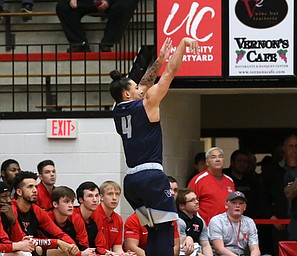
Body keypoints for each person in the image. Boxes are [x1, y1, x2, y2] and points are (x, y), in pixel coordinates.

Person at [110, 37, 199, 256]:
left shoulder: (118, 110)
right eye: (135, 88)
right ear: (127, 94)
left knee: (153, 229)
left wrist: (158, 59)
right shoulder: (147, 104)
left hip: (131, 180)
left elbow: (145, 83)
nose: (141, 89)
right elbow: (169, 74)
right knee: (165, 230)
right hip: (151, 176)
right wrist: (182, 46)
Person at [9, 171, 79, 256]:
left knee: (67, 252)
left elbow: (59, 234)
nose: (35, 190)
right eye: (30, 187)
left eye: (35, 187)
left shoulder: (37, 210)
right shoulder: (11, 209)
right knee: (26, 253)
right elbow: (21, 240)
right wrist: (56, 242)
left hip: (31, 248)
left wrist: (72, 246)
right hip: (13, 249)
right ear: (19, 192)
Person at [258, 134, 297, 255]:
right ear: (284, 149)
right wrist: (271, 216)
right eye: (290, 146)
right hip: (278, 224)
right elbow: (263, 196)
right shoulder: (272, 170)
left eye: (296, 146)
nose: (293, 149)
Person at [188, 147, 235, 225]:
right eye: (213, 157)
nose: (217, 159)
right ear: (207, 162)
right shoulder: (198, 180)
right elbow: (188, 203)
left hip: (228, 227)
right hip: (206, 227)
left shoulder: (229, 181)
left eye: (220, 157)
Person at [208, 191, 261, 256]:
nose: (237, 206)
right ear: (226, 205)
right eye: (234, 203)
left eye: (241, 203)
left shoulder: (249, 222)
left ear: (245, 207)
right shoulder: (217, 221)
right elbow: (219, 249)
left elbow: (255, 249)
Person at [48, 186, 95, 256]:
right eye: (66, 201)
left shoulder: (76, 218)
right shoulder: (46, 218)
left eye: (72, 201)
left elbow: (84, 245)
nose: (71, 205)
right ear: (55, 204)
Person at [92, 180, 130, 254]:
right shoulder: (93, 214)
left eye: (117, 194)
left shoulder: (118, 219)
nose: (114, 198)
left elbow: (117, 247)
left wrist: (123, 254)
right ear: (101, 197)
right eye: (110, 194)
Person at [74, 181, 111, 255]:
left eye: (96, 195)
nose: (95, 200)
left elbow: (99, 246)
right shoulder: (72, 216)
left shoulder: (97, 217)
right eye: (90, 196)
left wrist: (111, 253)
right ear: (81, 199)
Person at [176, 188, 212, 256]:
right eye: (192, 200)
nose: (197, 202)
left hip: (197, 251)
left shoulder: (200, 221)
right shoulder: (178, 221)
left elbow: (205, 245)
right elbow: (182, 247)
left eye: (196, 199)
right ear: (182, 206)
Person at [223, 150, 257, 218]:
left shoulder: (253, 179)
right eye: (239, 161)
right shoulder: (224, 178)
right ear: (232, 162)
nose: (242, 164)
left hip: (248, 218)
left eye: (245, 162)